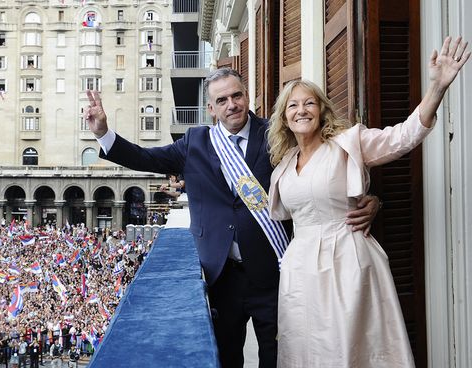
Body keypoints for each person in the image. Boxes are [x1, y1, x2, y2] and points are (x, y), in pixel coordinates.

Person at [84, 67, 379, 367]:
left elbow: (331, 163)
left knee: (278, 357)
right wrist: (103, 133)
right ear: (211, 108)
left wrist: (372, 199)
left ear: (247, 96)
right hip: (221, 275)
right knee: (226, 357)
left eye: (237, 95)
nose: (232, 104)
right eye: (222, 100)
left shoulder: (278, 134)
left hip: (274, 272)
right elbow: (144, 157)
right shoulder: (194, 142)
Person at [266, 36, 469, 367]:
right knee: (303, 350)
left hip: (347, 261)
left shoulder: (349, 143)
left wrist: (437, 88)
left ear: (321, 110)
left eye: (309, 103)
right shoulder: (284, 164)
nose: (301, 110)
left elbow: (403, 137)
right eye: (293, 105)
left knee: (348, 348)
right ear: (284, 118)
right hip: (300, 270)